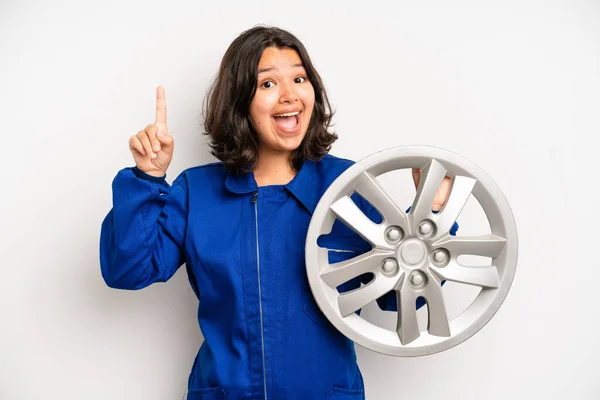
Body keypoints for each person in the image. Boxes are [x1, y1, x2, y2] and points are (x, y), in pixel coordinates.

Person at [100, 25, 456, 400]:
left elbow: (401, 296)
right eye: (267, 84)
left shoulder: (348, 187)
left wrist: (431, 213)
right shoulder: (197, 193)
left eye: (299, 78)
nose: (289, 95)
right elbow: (128, 270)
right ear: (239, 101)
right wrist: (147, 179)